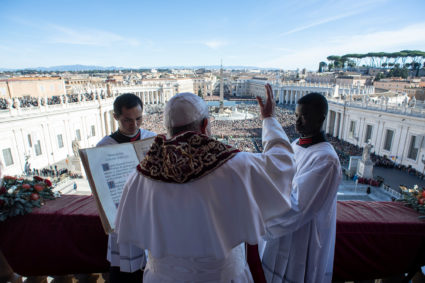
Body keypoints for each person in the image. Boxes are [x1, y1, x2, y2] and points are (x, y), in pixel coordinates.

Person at [115, 85, 296, 282]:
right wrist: (269, 119)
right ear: (205, 125)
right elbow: (283, 163)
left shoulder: (141, 174)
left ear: (168, 129)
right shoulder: (237, 165)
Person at [261, 92, 342, 283]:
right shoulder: (296, 144)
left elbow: (297, 207)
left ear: (321, 118)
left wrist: (258, 216)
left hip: (300, 239)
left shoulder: (326, 159)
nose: (297, 122)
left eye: (304, 116)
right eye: (296, 116)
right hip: (283, 232)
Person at [97, 93, 156, 283]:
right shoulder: (104, 147)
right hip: (122, 214)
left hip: (150, 213)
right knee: (124, 271)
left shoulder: (152, 140)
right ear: (115, 117)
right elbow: (100, 187)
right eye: (127, 120)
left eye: (139, 118)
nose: (135, 125)